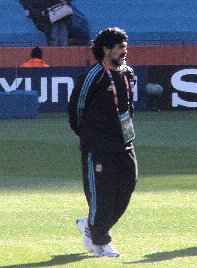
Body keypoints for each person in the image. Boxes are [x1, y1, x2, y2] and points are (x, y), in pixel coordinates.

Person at [68, 27, 136, 258]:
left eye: (125, 47)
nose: (125, 52)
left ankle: (90, 223)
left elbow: (127, 109)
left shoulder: (128, 74)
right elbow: (76, 107)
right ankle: (100, 243)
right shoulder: (93, 76)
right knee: (103, 194)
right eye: (120, 48)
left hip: (124, 143)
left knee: (126, 188)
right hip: (98, 146)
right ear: (106, 49)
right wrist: (82, 133)